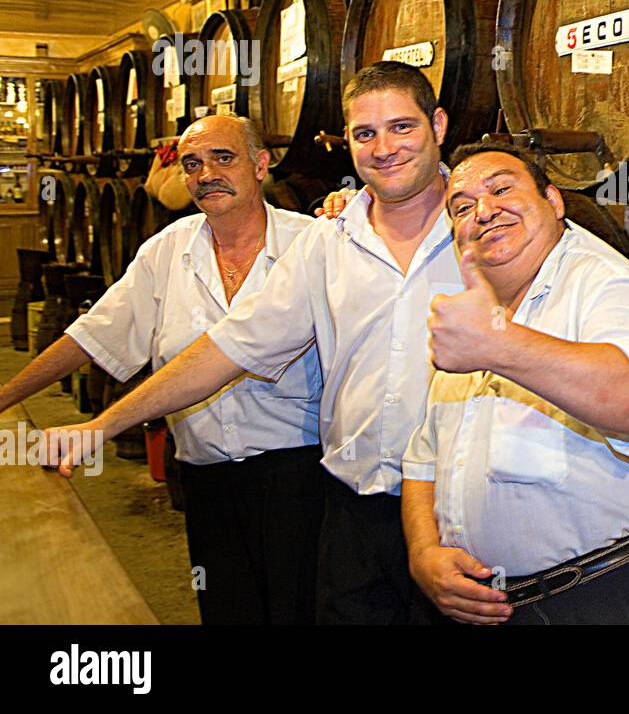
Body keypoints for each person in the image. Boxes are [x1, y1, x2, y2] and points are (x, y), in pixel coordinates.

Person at [43, 62, 464, 624]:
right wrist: (100, 426)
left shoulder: (492, 229)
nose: (383, 147)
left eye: (401, 127)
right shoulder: (328, 243)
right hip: (353, 515)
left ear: (437, 124)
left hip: (464, 515)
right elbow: (227, 350)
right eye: (365, 134)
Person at [3, 115, 324, 624]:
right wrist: (4, 395)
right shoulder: (168, 249)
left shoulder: (315, 244)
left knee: (300, 612)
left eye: (224, 158)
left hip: (300, 476)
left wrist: (100, 427)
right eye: (192, 164)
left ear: (262, 164)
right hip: (205, 478)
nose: (206, 174)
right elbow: (93, 334)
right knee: (227, 611)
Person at [401, 142, 629, 625]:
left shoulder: (603, 284)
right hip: (496, 607)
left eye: (501, 188)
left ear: (554, 202)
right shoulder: (474, 307)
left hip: (608, 598)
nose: (484, 210)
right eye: (462, 206)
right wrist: (423, 551)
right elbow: (423, 455)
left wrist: (496, 345)